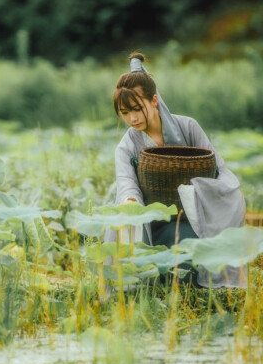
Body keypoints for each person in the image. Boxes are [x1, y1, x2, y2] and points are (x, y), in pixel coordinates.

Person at [105, 52, 246, 288]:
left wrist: (215, 191)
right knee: (176, 245)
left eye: (136, 109)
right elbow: (126, 182)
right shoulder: (127, 146)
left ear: (154, 100)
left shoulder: (188, 127)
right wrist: (130, 199)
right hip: (155, 223)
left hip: (195, 215)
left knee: (195, 244)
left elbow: (219, 168)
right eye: (124, 112)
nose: (132, 118)